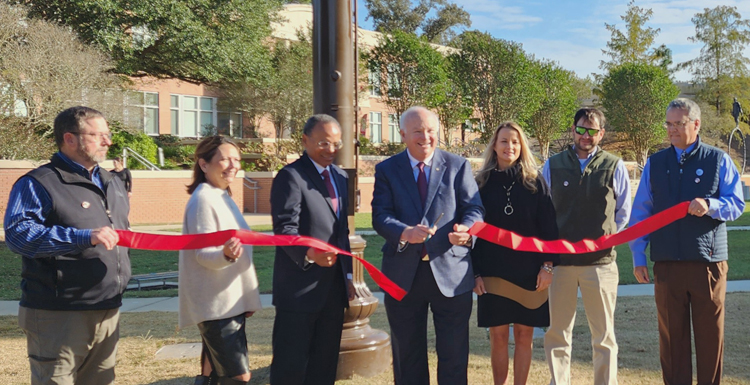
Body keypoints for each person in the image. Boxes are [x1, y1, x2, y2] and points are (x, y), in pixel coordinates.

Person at [3, 106, 129, 385]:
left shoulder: (111, 182)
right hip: (58, 313)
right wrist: (82, 237)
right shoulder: (39, 183)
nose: (108, 142)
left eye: (107, 135)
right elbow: (19, 235)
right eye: (98, 135)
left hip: (108, 307)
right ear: (70, 139)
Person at [629, 98, 745, 385]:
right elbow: (641, 213)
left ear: (696, 124)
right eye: (668, 124)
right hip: (667, 266)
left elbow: (736, 204)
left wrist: (710, 204)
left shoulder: (718, 160)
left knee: (710, 340)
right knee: (672, 344)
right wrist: (638, 256)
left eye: (677, 124)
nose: (671, 130)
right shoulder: (655, 164)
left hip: (708, 265)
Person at [372, 106, 484, 385]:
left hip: (451, 273)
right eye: (418, 131)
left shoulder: (458, 166)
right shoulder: (387, 169)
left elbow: (475, 208)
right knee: (407, 355)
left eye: (431, 131)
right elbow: (380, 215)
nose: (426, 137)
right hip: (402, 275)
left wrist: (467, 230)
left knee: (454, 355)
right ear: (403, 135)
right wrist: (404, 232)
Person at [542, 107, 631, 385]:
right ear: (573, 130)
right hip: (561, 265)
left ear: (601, 134)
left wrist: (605, 237)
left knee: (603, 336)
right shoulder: (553, 164)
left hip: (600, 265)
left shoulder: (614, 165)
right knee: (558, 333)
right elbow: (543, 211)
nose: (586, 135)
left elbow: (623, 214)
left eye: (592, 130)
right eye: (581, 129)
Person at [269, 114, 354, 385]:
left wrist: (349, 278)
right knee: (290, 366)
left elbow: (342, 234)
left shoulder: (341, 177)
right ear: (305, 140)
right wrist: (309, 254)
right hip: (298, 291)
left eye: (336, 144)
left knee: (325, 364)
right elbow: (284, 230)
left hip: (333, 290)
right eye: (323, 143)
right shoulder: (290, 177)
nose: (331, 150)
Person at [472, 122, 559, 385]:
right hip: (492, 272)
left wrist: (548, 266)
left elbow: (549, 228)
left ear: (521, 146)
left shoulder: (535, 182)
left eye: (515, 142)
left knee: (524, 335)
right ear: (494, 146)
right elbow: (473, 231)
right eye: (504, 141)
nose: (509, 146)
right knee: (497, 336)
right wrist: (474, 273)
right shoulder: (481, 183)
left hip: (530, 272)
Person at [178, 136, 262, 385]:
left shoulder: (221, 195)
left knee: (211, 371)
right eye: (224, 159)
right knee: (239, 376)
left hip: (226, 302)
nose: (232, 165)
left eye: (236, 159)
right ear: (204, 165)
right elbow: (202, 253)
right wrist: (226, 254)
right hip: (216, 306)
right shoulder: (204, 199)